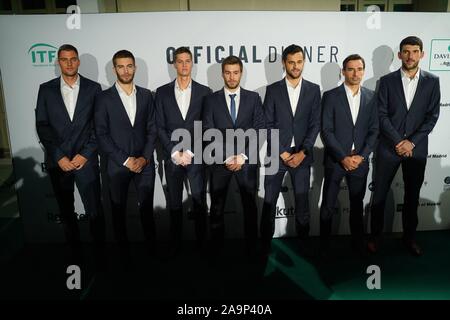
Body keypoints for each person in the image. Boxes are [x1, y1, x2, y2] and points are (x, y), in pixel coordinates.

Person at [368, 36, 441, 256]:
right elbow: (380, 115)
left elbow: (432, 116)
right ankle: (375, 238)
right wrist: (399, 141)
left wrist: (412, 142)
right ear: (399, 55)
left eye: (415, 51)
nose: (410, 56)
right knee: (379, 195)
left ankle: (409, 238)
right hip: (389, 148)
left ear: (422, 54)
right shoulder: (387, 80)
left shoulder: (432, 81)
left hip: (416, 150)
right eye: (406, 51)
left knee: (412, 197)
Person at [35, 44, 105, 254]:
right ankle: (75, 255)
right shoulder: (46, 89)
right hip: (60, 163)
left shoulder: (94, 88)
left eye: (73, 59)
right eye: (64, 59)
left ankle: (100, 255)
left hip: (87, 161)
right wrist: (59, 157)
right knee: (66, 212)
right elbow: (42, 125)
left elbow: (99, 126)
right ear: (58, 62)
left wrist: (85, 154)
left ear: (78, 61)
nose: (69, 63)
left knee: (94, 211)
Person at [260, 44, 321, 255]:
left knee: (303, 203)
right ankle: (264, 248)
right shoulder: (273, 89)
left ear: (303, 62)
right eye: (291, 62)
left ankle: (304, 247)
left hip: (302, 155)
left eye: (299, 62)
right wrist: (283, 152)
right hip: (278, 155)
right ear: (284, 63)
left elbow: (315, 124)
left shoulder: (314, 90)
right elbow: (267, 124)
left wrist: (302, 152)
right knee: (268, 202)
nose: (296, 66)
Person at [95, 50, 157, 252]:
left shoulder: (147, 95)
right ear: (114, 69)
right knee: (118, 211)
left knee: (147, 210)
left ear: (135, 68)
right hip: (117, 165)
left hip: (144, 164)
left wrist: (144, 158)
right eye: (121, 66)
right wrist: (125, 160)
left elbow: (152, 128)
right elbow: (101, 134)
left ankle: (151, 252)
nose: (125, 70)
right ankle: (123, 257)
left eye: (129, 66)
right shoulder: (103, 98)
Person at [203, 55, 265, 257]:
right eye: (228, 73)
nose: (231, 77)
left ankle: (252, 249)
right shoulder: (210, 100)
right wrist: (227, 157)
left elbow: (259, 129)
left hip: (246, 163)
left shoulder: (253, 98)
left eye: (235, 72)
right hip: (220, 163)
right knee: (217, 208)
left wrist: (243, 156)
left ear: (241, 73)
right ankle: (217, 250)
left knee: (250, 207)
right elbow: (207, 130)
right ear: (222, 74)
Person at [320, 54, 379, 255]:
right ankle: (324, 245)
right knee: (327, 205)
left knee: (356, 205)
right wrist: (342, 157)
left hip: (359, 161)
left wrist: (361, 156)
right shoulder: (330, 96)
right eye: (351, 69)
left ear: (363, 70)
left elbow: (374, 130)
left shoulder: (372, 97)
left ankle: (358, 244)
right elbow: (326, 130)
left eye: (360, 69)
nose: (356, 73)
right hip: (336, 161)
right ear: (343, 72)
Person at [155, 47, 212, 254]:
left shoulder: (205, 92)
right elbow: (159, 126)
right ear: (174, 64)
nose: (184, 65)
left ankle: (202, 246)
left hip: (196, 158)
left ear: (192, 63)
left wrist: (190, 152)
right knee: (175, 204)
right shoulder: (161, 92)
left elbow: (207, 126)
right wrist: (174, 152)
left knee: (198, 202)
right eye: (180, 61)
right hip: (172, 159)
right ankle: (175, 245)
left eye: (188, 61)